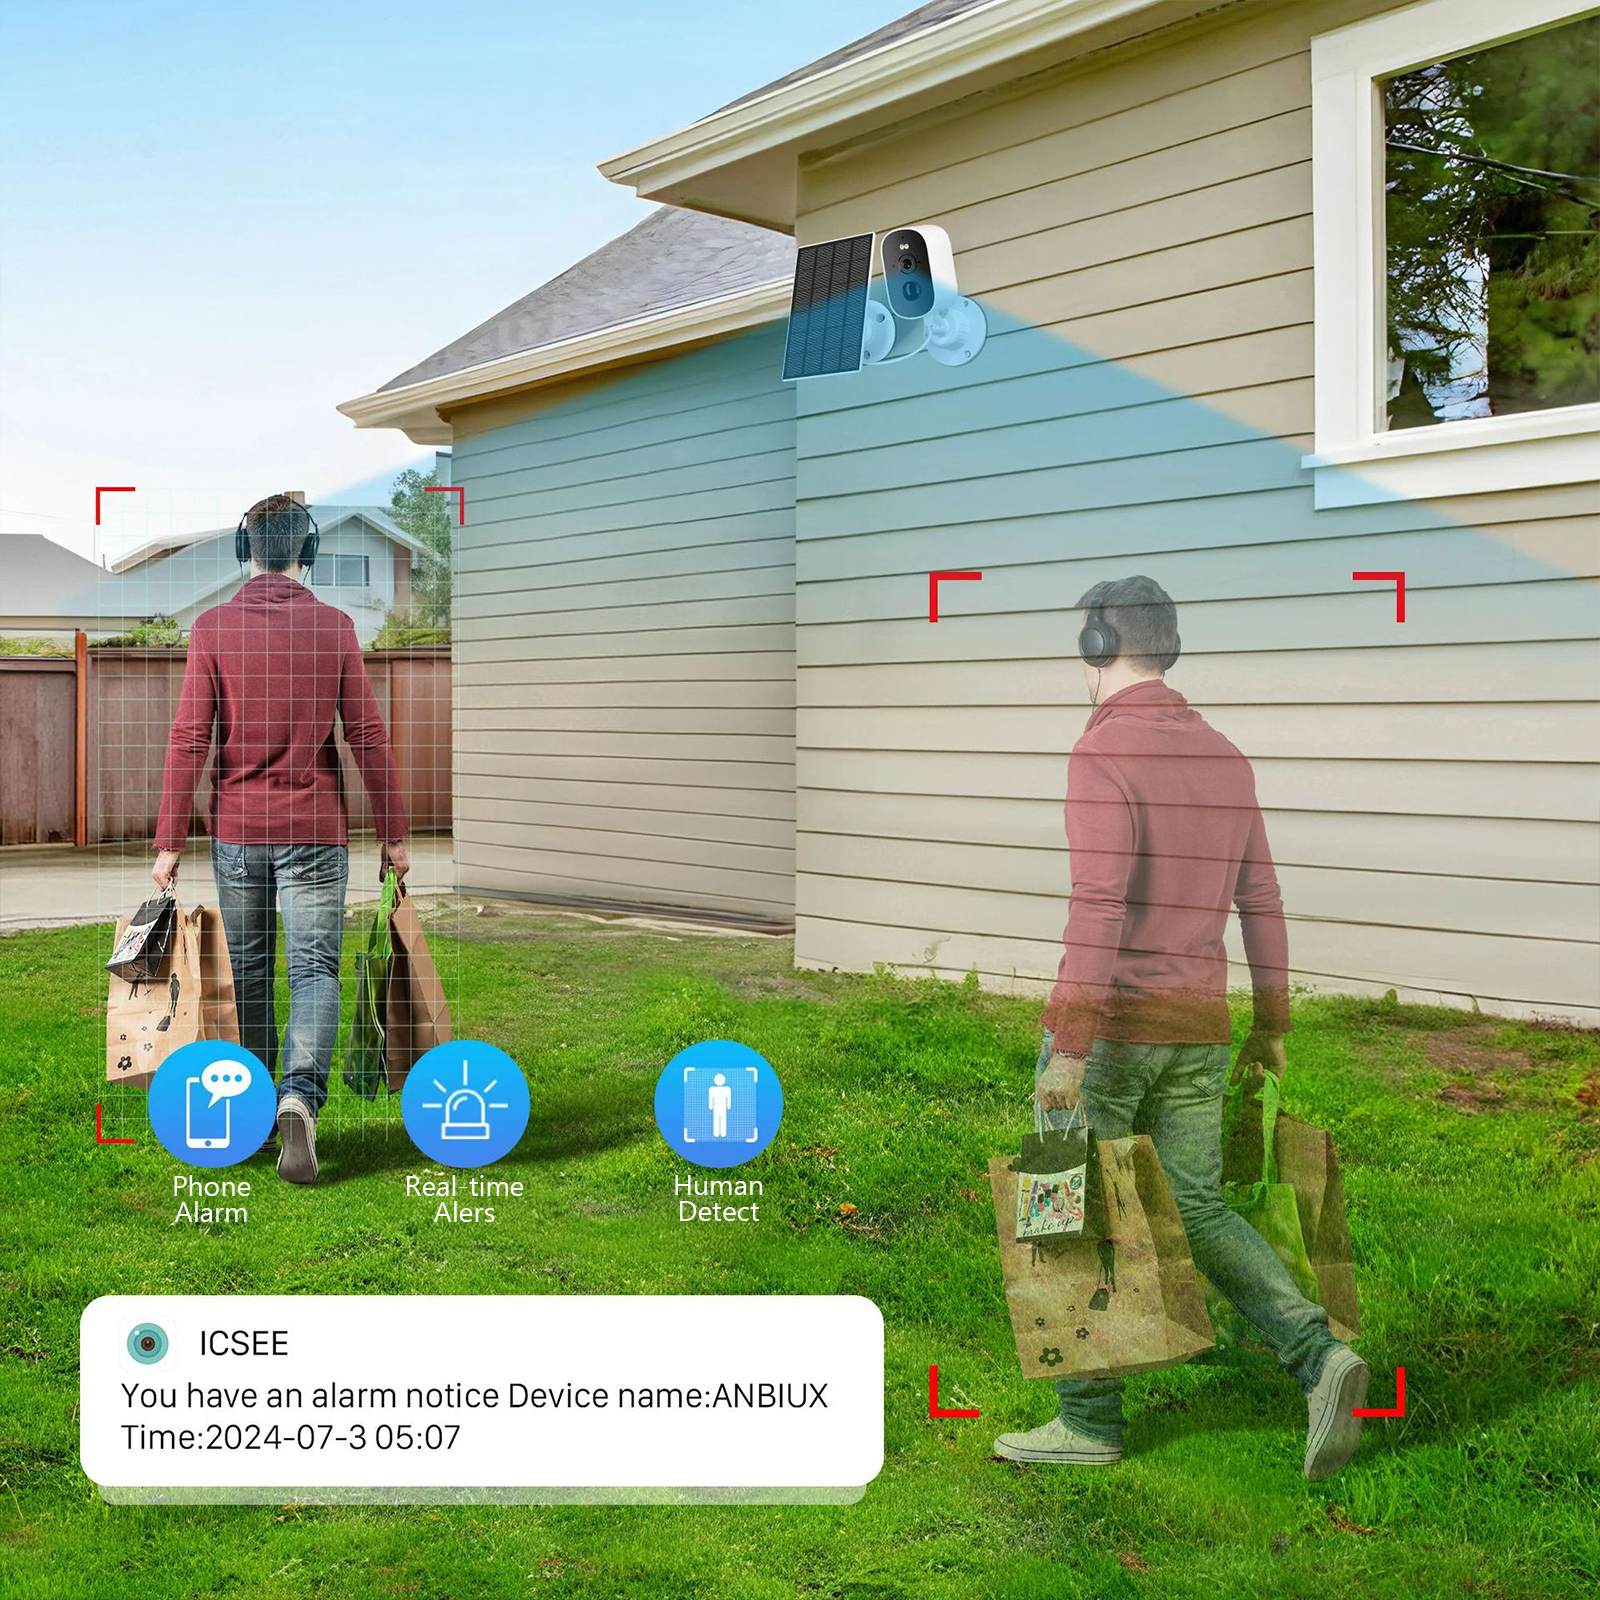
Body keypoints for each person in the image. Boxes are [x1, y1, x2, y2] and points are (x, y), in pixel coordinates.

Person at [993, 575, 1368, 1480]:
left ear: (1096, 645)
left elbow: (1098, 906)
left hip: (1112, 1032)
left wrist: (1069, 1046)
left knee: (1064, 1207)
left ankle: (1088, 1423)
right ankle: (1319, 1355)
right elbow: (1261, 898)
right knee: (1196, 1206)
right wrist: (1271, 1024)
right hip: (1200, 1028)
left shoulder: (1102, 753)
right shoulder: (1225, 757)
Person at [151, 493, 411, 1186]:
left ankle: (258, 1106)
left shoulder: (211, 628)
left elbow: (189, 738)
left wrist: (169, 841)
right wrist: (394, 834)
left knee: (251, 971)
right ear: (309, 550)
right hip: (316, 833)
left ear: (246, 550)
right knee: (315, 970)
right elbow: (367, 736)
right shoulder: (335, 627)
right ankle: (299, 1098)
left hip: (238, 834)